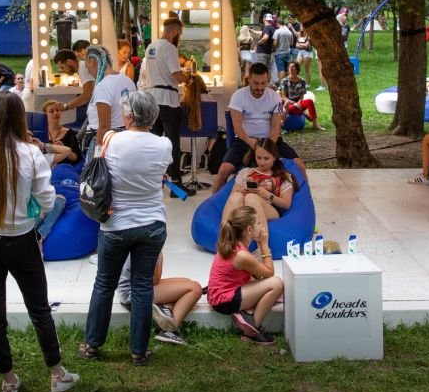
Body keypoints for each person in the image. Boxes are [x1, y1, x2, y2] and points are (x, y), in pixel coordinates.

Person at [0, 92, 79, 392]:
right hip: (22, 240)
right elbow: (48, 200)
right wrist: (30, 207)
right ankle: (57, 374)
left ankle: (8, 380)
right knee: (39, 310)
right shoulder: (30, 154)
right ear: (18, 118)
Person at [78, 90, 172, 366]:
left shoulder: (111, 139)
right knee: (142, 287)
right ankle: (138, 352)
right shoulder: (164, 144)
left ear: (129, 115)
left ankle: (92, 344)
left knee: (104, 284)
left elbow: (100, 166)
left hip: (115, 225)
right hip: (152, 223)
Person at [214, 63, 306, 188]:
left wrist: (267, 146)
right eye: (256, 83)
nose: (259, 87)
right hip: (245, 140)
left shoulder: (275, 97)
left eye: (263, 83)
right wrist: (251, 142)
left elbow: (276, 126)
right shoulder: (238, 96)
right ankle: (214, 200)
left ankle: (304, 199)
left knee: (300, 166)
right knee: (223, 171)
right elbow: (237, 126)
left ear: (267, 80)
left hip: (271, 140)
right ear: (249, 80)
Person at [205, 205, 283, 346]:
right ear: (249, 230)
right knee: (276, 284)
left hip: (221, 295)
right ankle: (252, 329)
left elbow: (257, 275)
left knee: (267, 284)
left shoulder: (233, 245)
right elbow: (269, 273)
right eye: (258, 223)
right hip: (224, 301)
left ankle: (247, 312)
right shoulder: (241, 255)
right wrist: (264, 244)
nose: (261, 225)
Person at [116, 252, 203, 346]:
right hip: (134, 294)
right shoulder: (150, 244)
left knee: (186, 281)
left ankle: (165, 309)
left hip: (132, 288)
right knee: (195, 289)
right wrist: (159, 255)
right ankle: (169, 331)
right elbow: (155, 280)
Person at [140, 17, 187, 189]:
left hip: (153, 101)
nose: (178, 36)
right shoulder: (170, 48)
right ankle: (175, 183)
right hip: (168, 101)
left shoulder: (150, 47)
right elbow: (176, 75)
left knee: (154, 143)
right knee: (172, 144)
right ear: (174, 31)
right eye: (179, 33)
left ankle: (153, 181)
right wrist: (188, 78)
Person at [221, 138, 299, 241]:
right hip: (244, 209)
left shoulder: (282, 175)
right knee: (236, 196)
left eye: (266, 158)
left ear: (274, 157)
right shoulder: (245, 172)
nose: (262, 162)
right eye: (258, 157)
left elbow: (286, 204)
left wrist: (266, 194)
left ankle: (262, 245)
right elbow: (232, 196)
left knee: (251, 198)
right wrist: (242, 191)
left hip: (269, 208)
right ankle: (225, 240)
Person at [84, 45, 136, 158]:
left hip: (104, 140)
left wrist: (97, 156)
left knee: (95, 169)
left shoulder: (103, 86)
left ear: (92, 61)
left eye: (87, 66)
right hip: (124, 139)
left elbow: (104, 126)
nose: (88, 71)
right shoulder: (128, 82)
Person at [277, 61, 320, 130]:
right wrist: (294, 103)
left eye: (293, 67)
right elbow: (283, 96)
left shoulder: (302, 81)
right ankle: (303, 113)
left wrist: (299, 102)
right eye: (289, 67)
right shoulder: (284, 81)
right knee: (294, 109)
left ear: (297, 69)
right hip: (288, 104)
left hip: (298, 103)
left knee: (310, 101)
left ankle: (315, 125)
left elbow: (302, 96)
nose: (291, 68)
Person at [39, 101, 81, 166]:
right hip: (45, 166)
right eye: (51, 111)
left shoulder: (69, 133)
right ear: (45, 115)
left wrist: (63, 148)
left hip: (64, 166)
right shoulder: (39, 132)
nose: (56, 113)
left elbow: (75, 158)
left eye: (58, 110)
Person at [272, 17, 295, 82]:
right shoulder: (289, 32)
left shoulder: (277, 31)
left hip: (279, 53)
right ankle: (288, 83)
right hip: (287, 52)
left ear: (278, 23)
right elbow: (291, 43)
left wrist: (273, 47)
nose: (276, 25)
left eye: (276, 24)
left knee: (281, 70)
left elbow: (275, 43)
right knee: (287, 70)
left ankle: (281, 85)